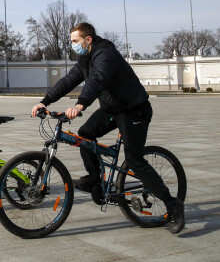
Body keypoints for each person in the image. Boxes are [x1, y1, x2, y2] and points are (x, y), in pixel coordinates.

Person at [31, 22, 185, 234]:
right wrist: (45, 101)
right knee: (85, 134)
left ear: (88, 39)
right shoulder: (85, 58)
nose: (73, 45)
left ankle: (172, 205)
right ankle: (95, 177)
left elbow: (98, 79)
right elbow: (69, 80)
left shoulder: (106, 54)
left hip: (133, 110)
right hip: (113, 109)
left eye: (75, 41)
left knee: (134, 160)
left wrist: (80, 104)